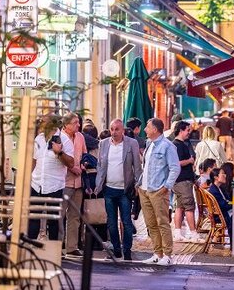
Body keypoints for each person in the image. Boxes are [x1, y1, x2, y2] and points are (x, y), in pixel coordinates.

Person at [95, 119, 141, 260]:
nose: (114, 132)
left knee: (126, 221)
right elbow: (100, 165)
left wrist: (138, 185)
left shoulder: (131, 143)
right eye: (112, 129)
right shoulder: (103, 144)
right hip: (108, 189)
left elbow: (137, 166)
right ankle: (116, 248)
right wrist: (98, 184)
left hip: (125, 189)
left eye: (117, 129)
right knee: (111, 222)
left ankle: (127, 249)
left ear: (123, 130)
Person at [138, 118, 181, 266]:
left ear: (155, 129)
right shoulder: (149, 144)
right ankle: (157, 253)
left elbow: (175, 168)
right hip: (144, 189)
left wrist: (166, 187)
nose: (145, 130)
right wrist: (139, 184)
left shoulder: (167, 146)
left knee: (162, 222)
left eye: (147, 127)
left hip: (158, 190)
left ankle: (167, 255)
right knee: (150, 224)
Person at [28, 115, 75, 242]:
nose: (41, 124)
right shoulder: (39, 138)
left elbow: (71, 163)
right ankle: (29, 249)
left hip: (54, 186)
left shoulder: (64, 140)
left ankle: (54, 253)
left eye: (43, 122)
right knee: (32, 219)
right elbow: (34, 161)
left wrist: (59, 152)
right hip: (36, 184)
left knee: (53, 221)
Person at [60, 113, 86, 256]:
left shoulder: (80, 137)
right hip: (64, 182)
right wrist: (72, 168)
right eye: (75, 122)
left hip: (78, 182)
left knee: (75, 216)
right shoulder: (60, 138)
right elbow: (59, 158)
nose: (78, 125)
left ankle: (72, 246)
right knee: (60, 215)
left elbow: (84, 154)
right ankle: (58, 245)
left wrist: (83, 165)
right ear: (67, 124)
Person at [171, 121, 200, 242]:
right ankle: (194, 234)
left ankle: (177, 234)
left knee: (180, 207)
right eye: (187, 130)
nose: (189, 133)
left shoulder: (179, 144)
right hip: (182, 181)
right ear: (181, 130)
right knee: (189, 207)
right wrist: (189, 161)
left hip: (179, 180)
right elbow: (176, 163)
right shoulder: (177, 145)